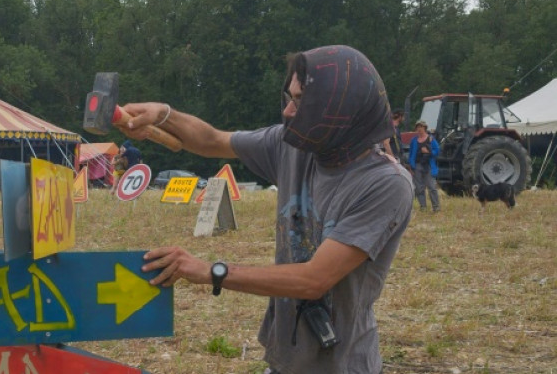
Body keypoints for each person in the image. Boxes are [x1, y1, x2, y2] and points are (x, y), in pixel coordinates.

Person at [120, 45, 413, 373]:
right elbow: (213, 140)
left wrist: (211, 271)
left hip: (341, 363)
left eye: (300, 101)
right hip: (285, 356)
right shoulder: (293, 147)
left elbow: (315, 279)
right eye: (288, 98)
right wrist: (163, 115)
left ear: (339, 110)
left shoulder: (385, 184)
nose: (288, 111)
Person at [407, 120, 441, 212]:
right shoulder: (414, 140)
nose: (419, 129)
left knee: (432, 186)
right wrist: (410, 165)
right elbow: (411, 154)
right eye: (418, 127)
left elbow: (437, 151)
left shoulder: (431, 139)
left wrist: (429, 152)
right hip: (417, 165)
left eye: (421, 127)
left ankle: (436, 207)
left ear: (425, 128)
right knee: (419, 188)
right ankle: (423, 207)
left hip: (428, 166)